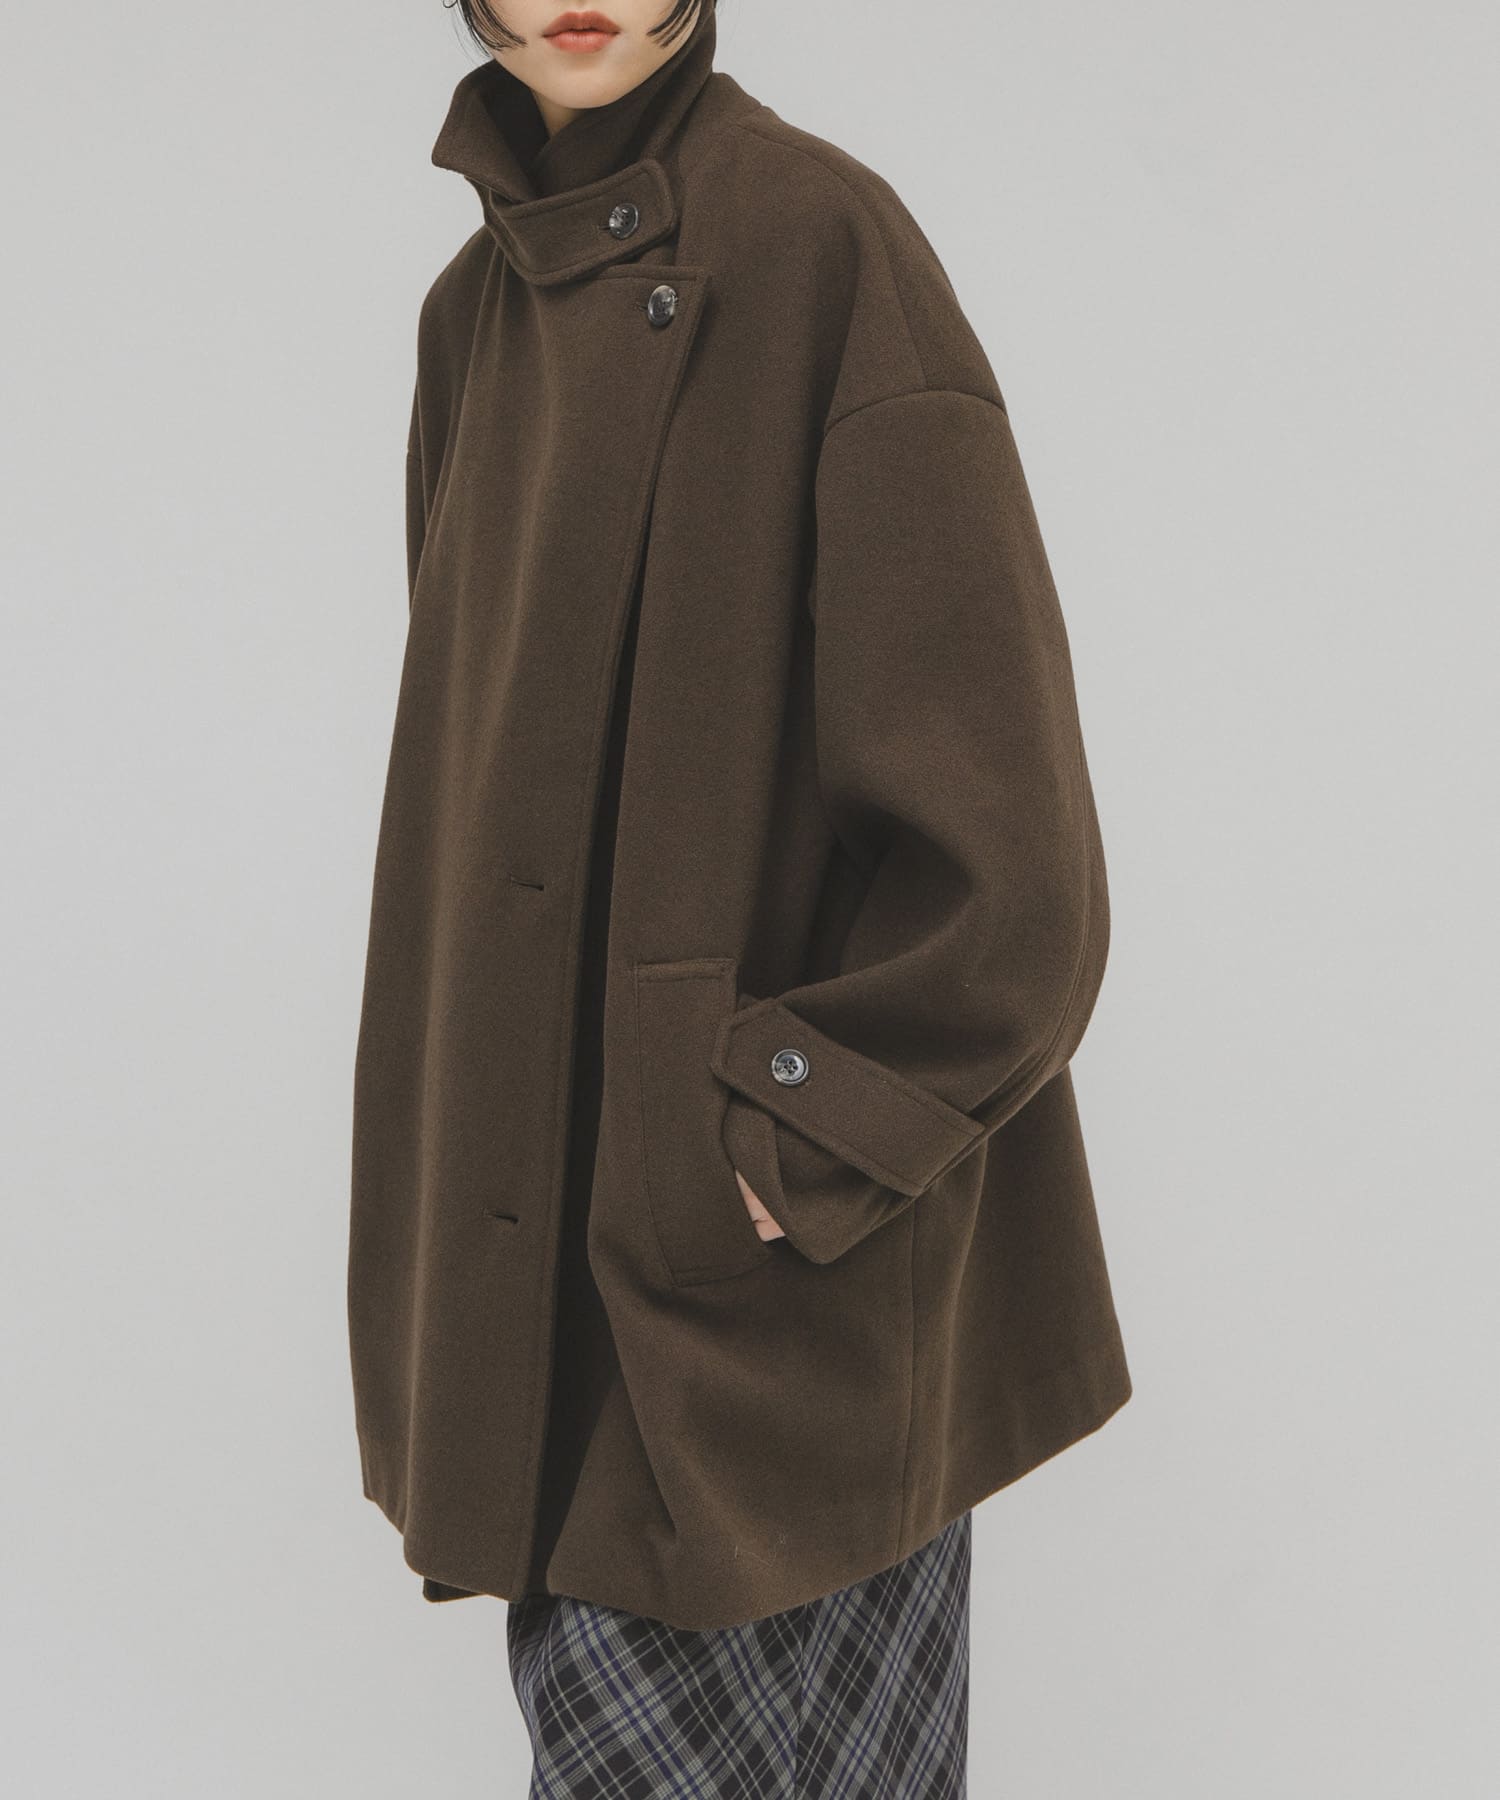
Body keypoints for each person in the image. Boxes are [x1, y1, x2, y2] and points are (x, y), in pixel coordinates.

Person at [347, 2, 1132, 1792]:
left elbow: (1014, 863)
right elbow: (493, 817)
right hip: (546, 1259)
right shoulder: (471, 319)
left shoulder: (819, 241)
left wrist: (782, 1140)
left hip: (778, 1275)